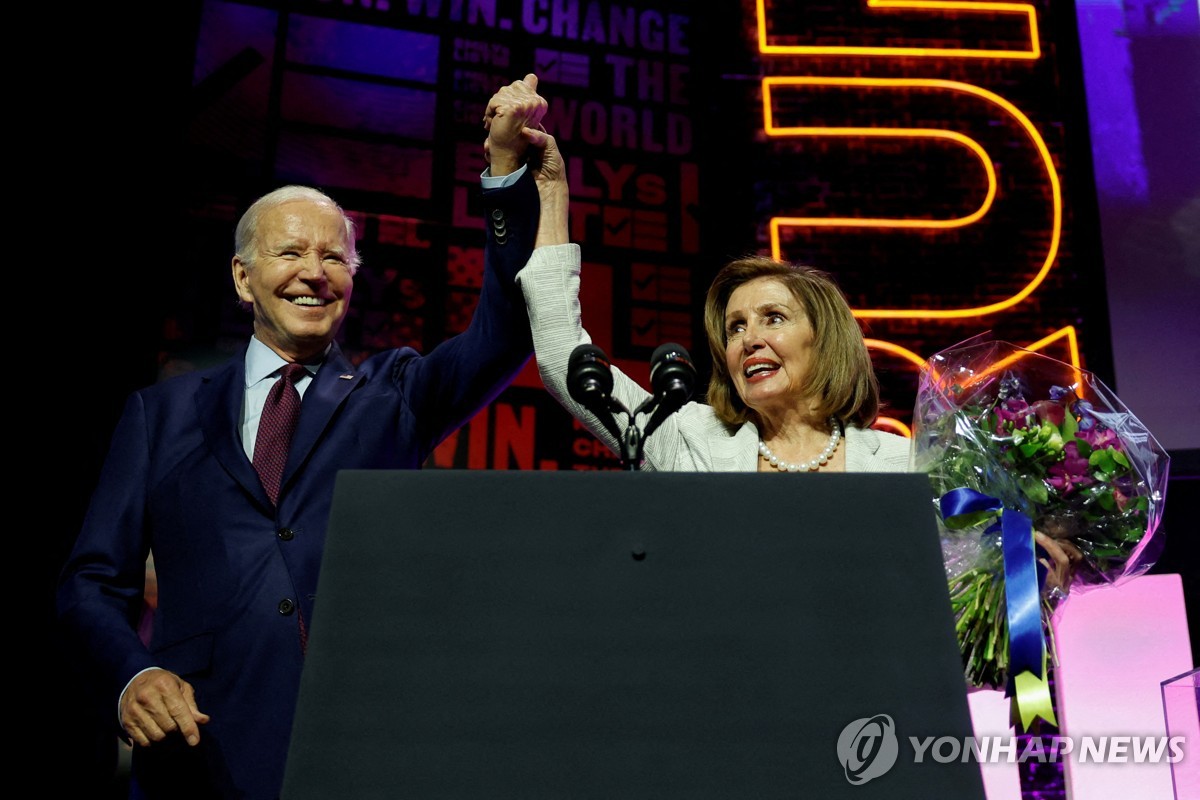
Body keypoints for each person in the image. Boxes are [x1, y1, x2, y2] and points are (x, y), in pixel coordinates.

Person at [56, 74, 549, 800]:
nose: (314, 275)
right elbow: (90, 584)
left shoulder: (398, 393)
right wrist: (133, 672)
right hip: (199, 754)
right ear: (242, 277)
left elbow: (505, 333)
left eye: (335, 258)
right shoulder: (158, 415)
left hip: (361, 749)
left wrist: (505, 175)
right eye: (290, 254)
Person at [510, 82, 1077, 589]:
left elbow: (958, 598)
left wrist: (1027, 571)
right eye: (735, 328)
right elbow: (564, 359)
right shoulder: (687, 439)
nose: (748, 339)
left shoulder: (907, 466)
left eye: (772, 318)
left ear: (823, 340)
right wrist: (553, 189)